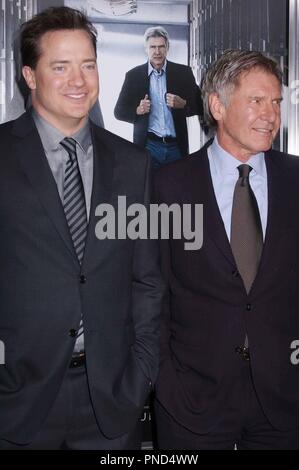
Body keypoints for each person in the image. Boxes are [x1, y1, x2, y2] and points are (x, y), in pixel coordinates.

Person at [0, 6, 163, 450]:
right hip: (17, 401)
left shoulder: (134, 165)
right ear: (30, 76)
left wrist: (139, 374)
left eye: (88, 65)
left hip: (111, 402)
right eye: (61, 67)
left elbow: (147, 280)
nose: (79, 80)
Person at [154, 50, 299, 450]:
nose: (270, 114)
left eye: (276, 103)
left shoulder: (296, 180)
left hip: (284, 402)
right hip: (192, 401)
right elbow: (151, 292)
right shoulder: (168, 187)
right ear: (217, 105)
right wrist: (165, 379)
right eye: (256, 101)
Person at [114, 26, 202, 169]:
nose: (157, 52)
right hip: (148, 146)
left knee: (176, 190)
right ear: (146, 49)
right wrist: (137, 110)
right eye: (153, 47)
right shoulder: (133, 75)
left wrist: (184, 104)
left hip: (176, 147)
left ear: (167, 47)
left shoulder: (183, 73)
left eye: (161, 47)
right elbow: (119, 112)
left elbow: (202, 105)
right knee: (150, 190)